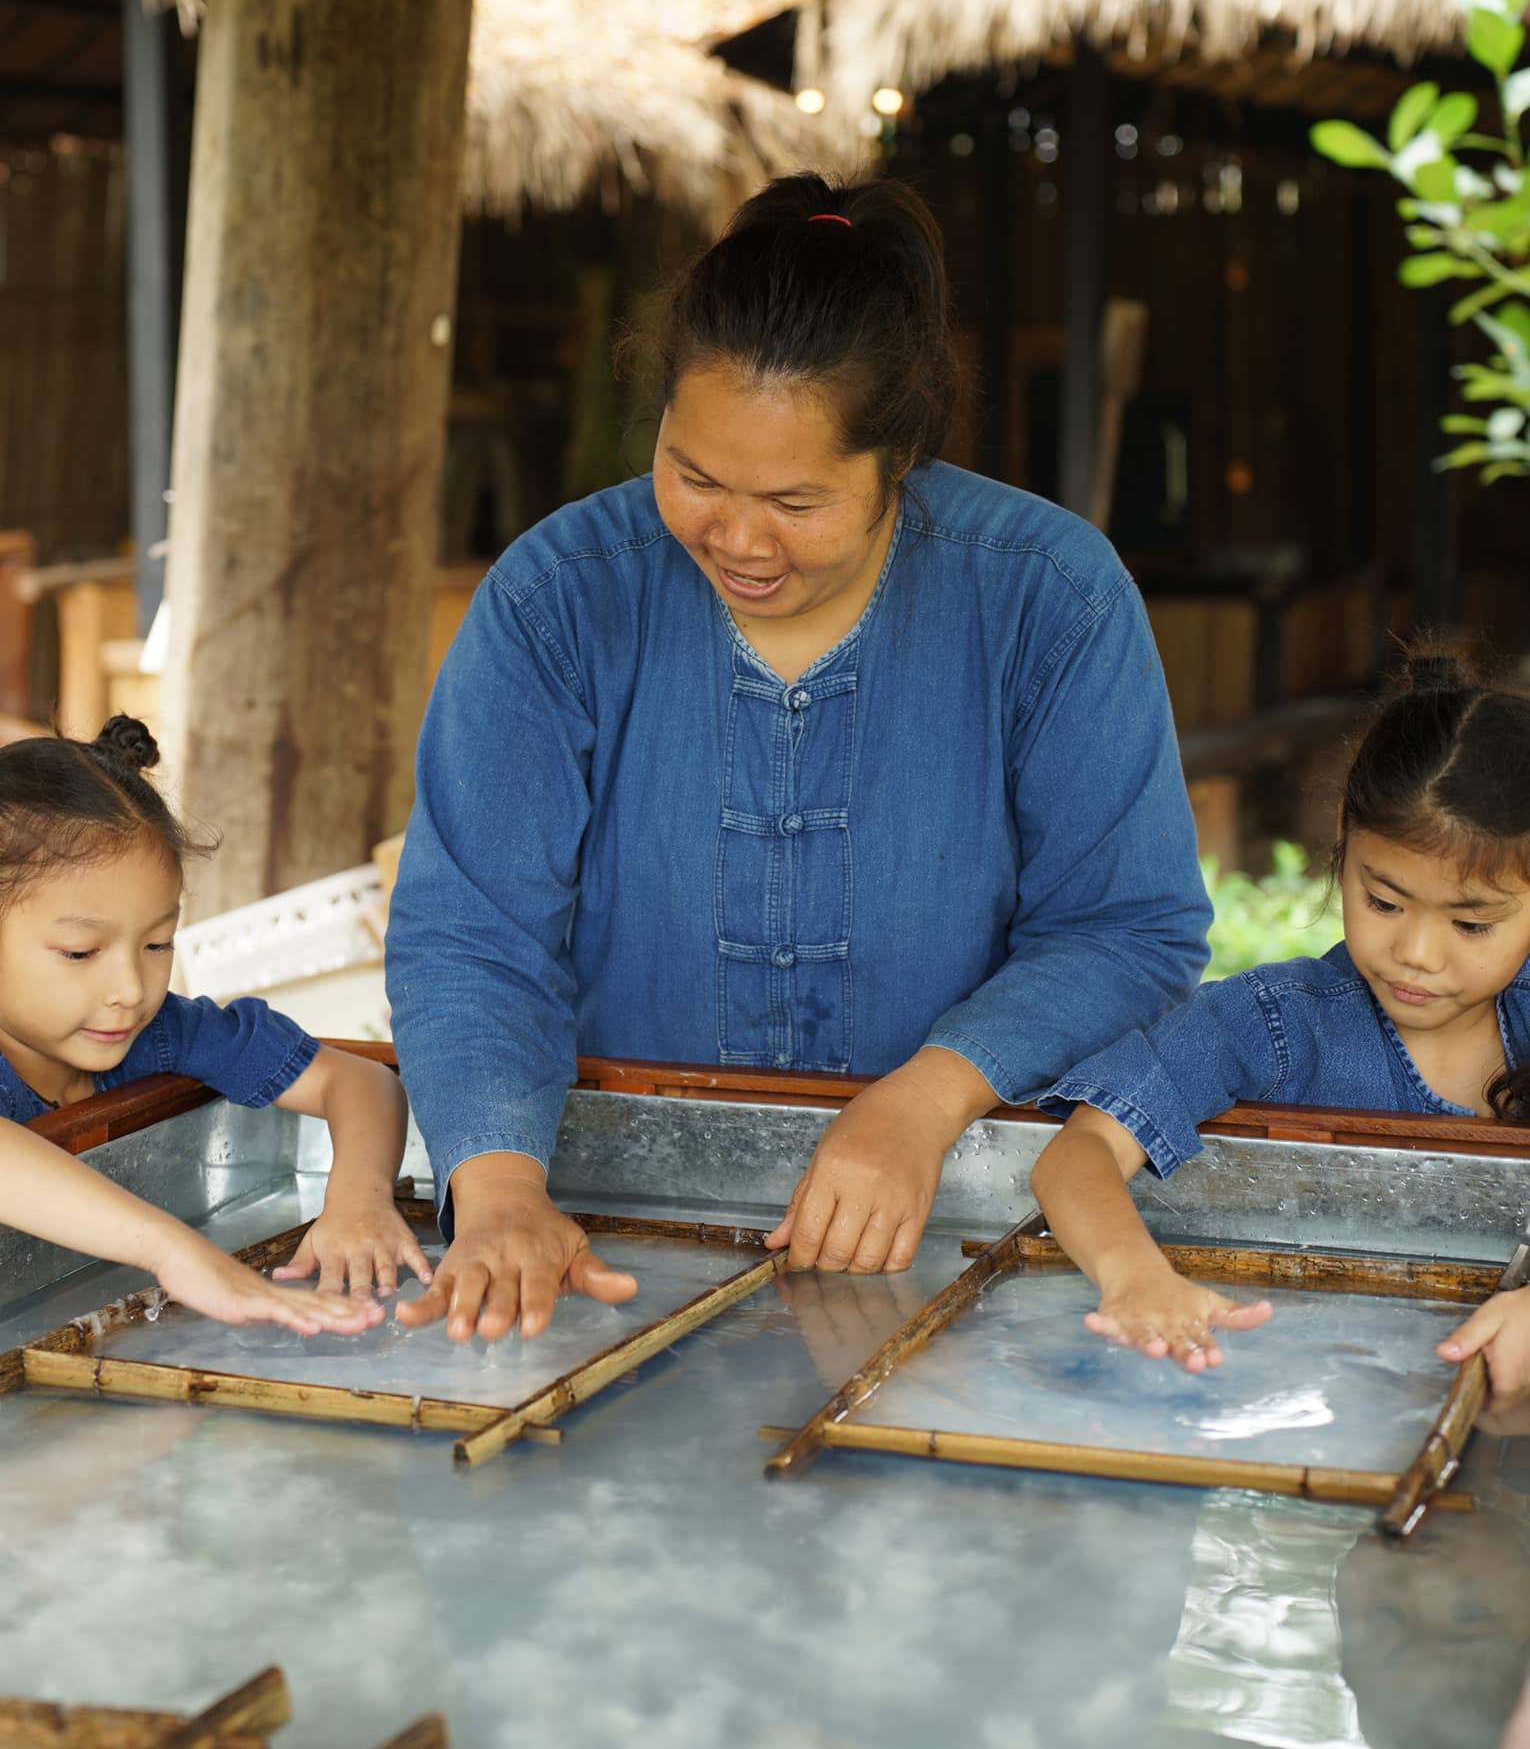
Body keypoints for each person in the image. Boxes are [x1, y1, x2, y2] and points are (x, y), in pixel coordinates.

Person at [386, 171, 1210, 1344]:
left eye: (794, 500)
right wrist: (505, 1189)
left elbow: (1129, 926)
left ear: (900, 460)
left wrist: (924, 1101)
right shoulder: (560, 595)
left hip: (970, 1233)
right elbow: (473, 931)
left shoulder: (1049, 596)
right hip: (605, 1238)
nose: (735, 536)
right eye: (695, 474)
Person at [1030, 651, 1530, 1390]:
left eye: (1472, 923)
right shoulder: (1275, 1023)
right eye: (1384, 902)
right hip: (1317, 1393)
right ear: (1342, 836)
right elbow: (1079, 1152)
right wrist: (1134, 1273)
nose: (1416, 954)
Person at [0, 716, 429, 1334]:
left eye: (157, 944)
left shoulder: (163, 1032)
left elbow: (361, 1082)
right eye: (80, 952)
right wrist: (174, 1250)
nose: (130, 990)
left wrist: (358, 1202)